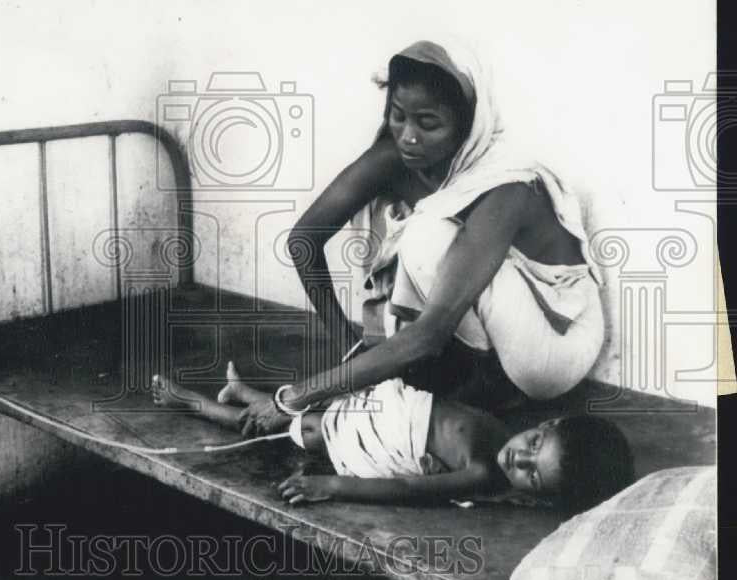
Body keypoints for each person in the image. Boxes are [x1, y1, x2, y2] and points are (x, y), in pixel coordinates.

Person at [240, 39, 606, 436]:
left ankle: (490, 391)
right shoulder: (399, 156)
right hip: (496, 323)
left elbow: (430, 334)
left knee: (427, 235)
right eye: (398, 116)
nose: (408, 136)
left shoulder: (507, 186)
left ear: (467, 124)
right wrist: (347, 346)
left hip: (556, 347)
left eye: (428, 124)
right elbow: (304, 240)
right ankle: (457, 387)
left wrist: (295, 397)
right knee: (426, 244)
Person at [152, 364, 634, 516]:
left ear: (537, 498)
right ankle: (244, 393)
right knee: (300, 408)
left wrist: (333, 487)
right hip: (385, 405)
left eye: (531, 474)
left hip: (360, 435)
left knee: (276, 426)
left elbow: (409, 490)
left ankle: (190, 403)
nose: (520, 458)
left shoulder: (486, 472)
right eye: (534, 444)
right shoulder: (505, 440)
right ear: (546, 425)